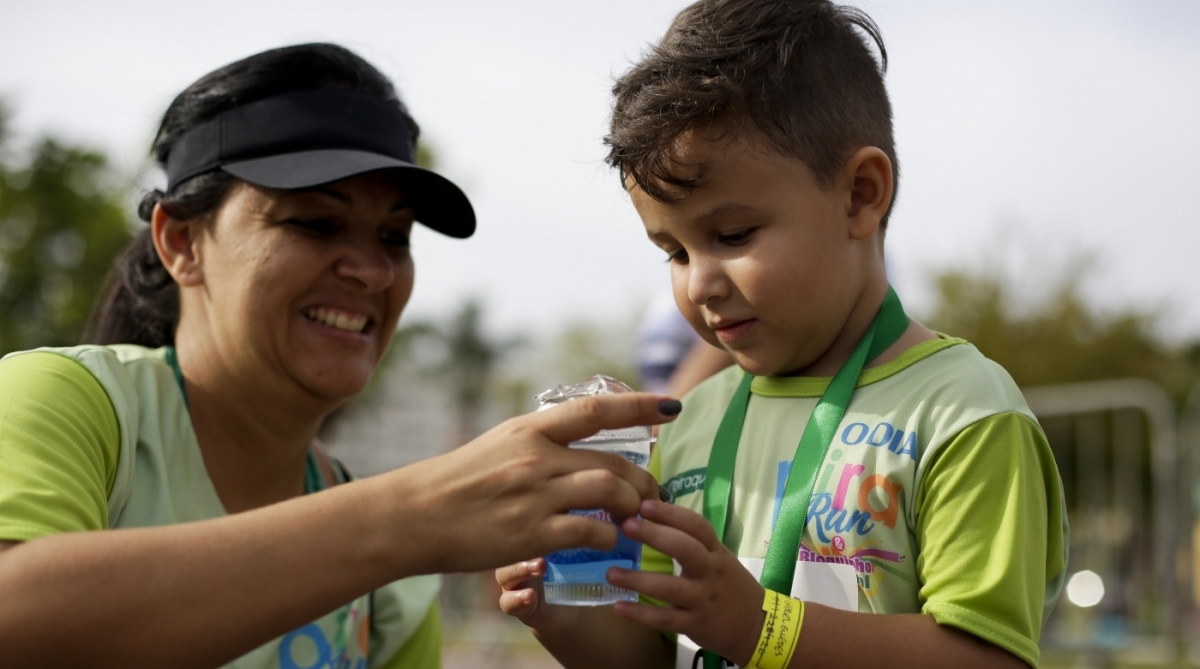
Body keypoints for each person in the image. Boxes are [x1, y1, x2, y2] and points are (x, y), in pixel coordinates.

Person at [0, 44, 680, 669]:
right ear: (180, 241)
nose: (371, 271)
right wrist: (413, 517)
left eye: (393, 236)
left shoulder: (393, 592)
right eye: (314, 222)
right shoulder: (69, 404)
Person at [497, 2, 1068, 669]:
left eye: (733, 235)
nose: (699, 283)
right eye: (674, 252)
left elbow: (987, 657)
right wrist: (560, 614)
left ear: (860, 194)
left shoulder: (963, 413)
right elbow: (655, 650)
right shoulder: (688, 422)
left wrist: (758, 626)